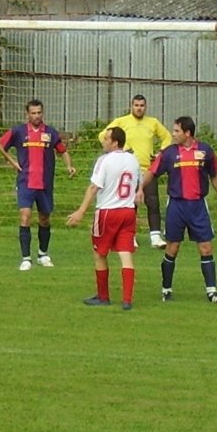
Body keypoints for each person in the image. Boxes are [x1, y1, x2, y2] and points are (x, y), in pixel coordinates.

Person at [138, 116, 217, 304]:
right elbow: (152, 172)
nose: (173, 134)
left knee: (206, 247)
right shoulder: (169, 153)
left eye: (177, 131)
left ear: (187, 133)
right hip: (176, 206)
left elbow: (215, 176)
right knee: (173, 247)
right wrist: (140, 189)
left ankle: (212, 292)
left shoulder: (205, 151)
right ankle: (166, 289)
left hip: (198, 206)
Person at [0, 99, 77, 271]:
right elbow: (0, 144)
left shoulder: (50, 133)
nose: (36, 116)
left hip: (45, 184)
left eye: (39, 112)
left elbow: (62, 151)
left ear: (42, 113)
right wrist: (12, 162)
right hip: (25, 182)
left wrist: (69, 165)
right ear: (27, 114)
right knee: (25, 216)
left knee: (44, 219)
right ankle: (26, 258)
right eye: (33, 113)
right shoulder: (18, 131)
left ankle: (43, 254)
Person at [67, 127, 141, 310]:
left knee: (100, 253)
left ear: (115, 142)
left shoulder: (104, 160)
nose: (103, 141)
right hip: (128, 211)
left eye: (106, 138)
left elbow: (94, 187)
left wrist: (81, 211)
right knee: (125, 254)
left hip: (108, 212)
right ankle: (127, 300)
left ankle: (103, 296)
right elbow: (137, 184)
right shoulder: (133, 160)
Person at [101, 94, 172, 249]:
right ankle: (129, 235)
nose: (139, 108)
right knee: (129, 204)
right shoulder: (122, 121)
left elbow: (167, 137)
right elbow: (103, 135)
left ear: (145, 107)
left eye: (142, 105)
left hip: (148, 170)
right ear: (131, 106)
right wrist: (123, 149)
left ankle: (155, 237)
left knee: (152, 202)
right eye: (136, 105)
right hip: (128, 170)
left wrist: (161, 152)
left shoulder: (152, 122)